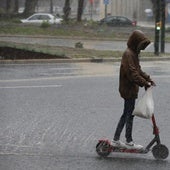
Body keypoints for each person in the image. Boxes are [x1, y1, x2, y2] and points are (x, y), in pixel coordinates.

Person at [112, 30, 156, 149]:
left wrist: (148, 79)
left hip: (131, 89)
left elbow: (138, 70)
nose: (141, 48)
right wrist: (144, 83)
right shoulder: (128, 54)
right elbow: (132, 73)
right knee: (128, 115)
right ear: (135, 42)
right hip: (128, 89)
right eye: (141, 45)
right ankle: (128, 141)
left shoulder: (133, 53)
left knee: (127, 114)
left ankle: (117, 139)